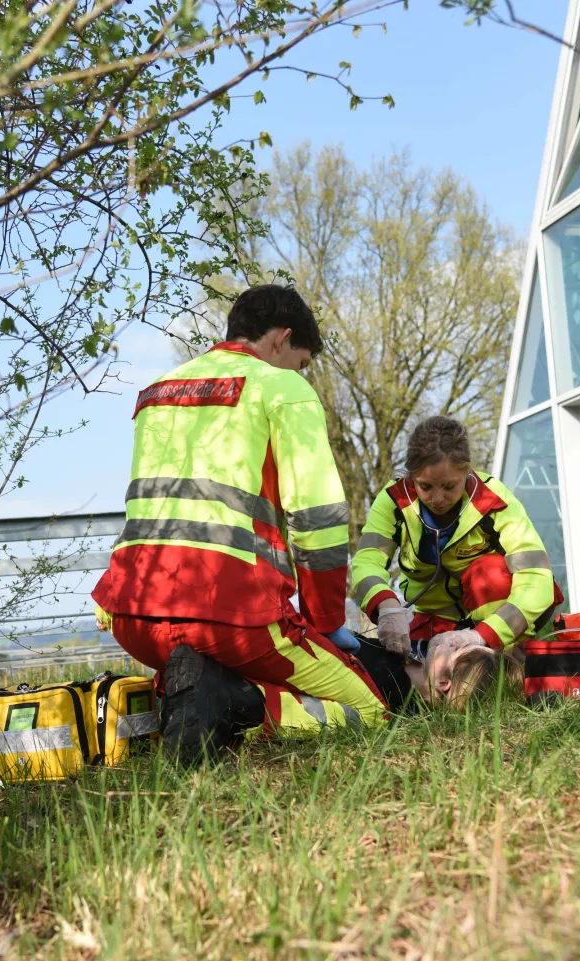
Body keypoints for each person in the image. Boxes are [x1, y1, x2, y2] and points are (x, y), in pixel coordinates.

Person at [92, 285, 387, 763]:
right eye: (302, 361)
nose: (300, 373)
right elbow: (318, 519)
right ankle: (232, 710)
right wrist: (325, 620)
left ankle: (192, 695)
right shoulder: (281, 387)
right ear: (280, 339)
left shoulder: (159, 392)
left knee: (223, 664)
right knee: (369, 710)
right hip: (230, 618)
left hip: (133, 617)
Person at [349, 415, 563, 712]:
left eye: (450, 486)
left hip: (500, 620)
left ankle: (511, 665)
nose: (437, 498)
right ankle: (479, 686)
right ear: (410, 476)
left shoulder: (494, 500)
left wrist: (482, 635)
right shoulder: (393, 502)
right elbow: (366, 563)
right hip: (438, 617)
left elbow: (536, 578)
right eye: (425, 487)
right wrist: (385, 606)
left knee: (489, 573)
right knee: (404, 667)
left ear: (468, 471)